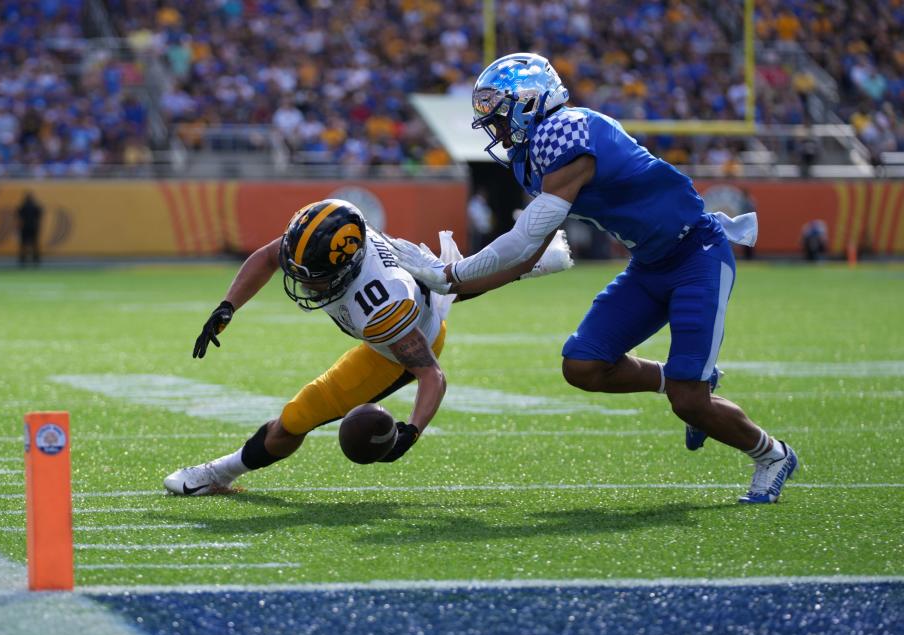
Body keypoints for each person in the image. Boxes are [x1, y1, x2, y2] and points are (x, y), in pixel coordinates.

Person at [392, 53, 798, 504]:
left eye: (501, 118)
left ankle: (772, 454)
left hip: (696, 256)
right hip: (649, 264)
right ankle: (680, 378)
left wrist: (451, 272)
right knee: (583, 364)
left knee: (690, 401)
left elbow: (524, 241)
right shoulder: (534, 154)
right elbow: (523, 261)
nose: (498, 130)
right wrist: (451, 286)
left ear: (530, 101)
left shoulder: (567, 129)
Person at [164, 198, 570, 495]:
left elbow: (431, 375)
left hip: (399, 346)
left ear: (346, 267)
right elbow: (272, 256)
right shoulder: (337, 228)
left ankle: (219, 474)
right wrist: (228, 305)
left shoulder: (380, 307)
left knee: (296, 417)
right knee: (447, 283)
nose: (305, 285)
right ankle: (528, 265)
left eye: (314, 278)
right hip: (412, 285)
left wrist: (411, 431)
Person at [16, 192, 43, 266]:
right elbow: (39, 215)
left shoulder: (23, 206)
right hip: (33, 227)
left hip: (25, 227)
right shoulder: (35, 207)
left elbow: (18, 215)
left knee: (23, 244)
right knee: (34, 244)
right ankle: (36, 258)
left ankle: (23, 258)